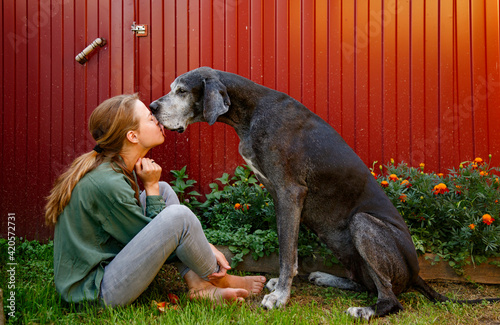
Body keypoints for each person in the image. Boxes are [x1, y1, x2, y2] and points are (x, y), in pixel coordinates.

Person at [44, 94, 266, 307]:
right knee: (178, 216)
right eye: (151, 118)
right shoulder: (108, 183)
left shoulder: (117, 166)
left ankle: (200, 285)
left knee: (163, 190)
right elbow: (159, 241)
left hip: (109, 267)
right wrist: (207, 247)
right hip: (95, 292)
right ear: (132, 136)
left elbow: (154, 237)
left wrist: (153, 189)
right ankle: (219, 279)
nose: (158, 119)